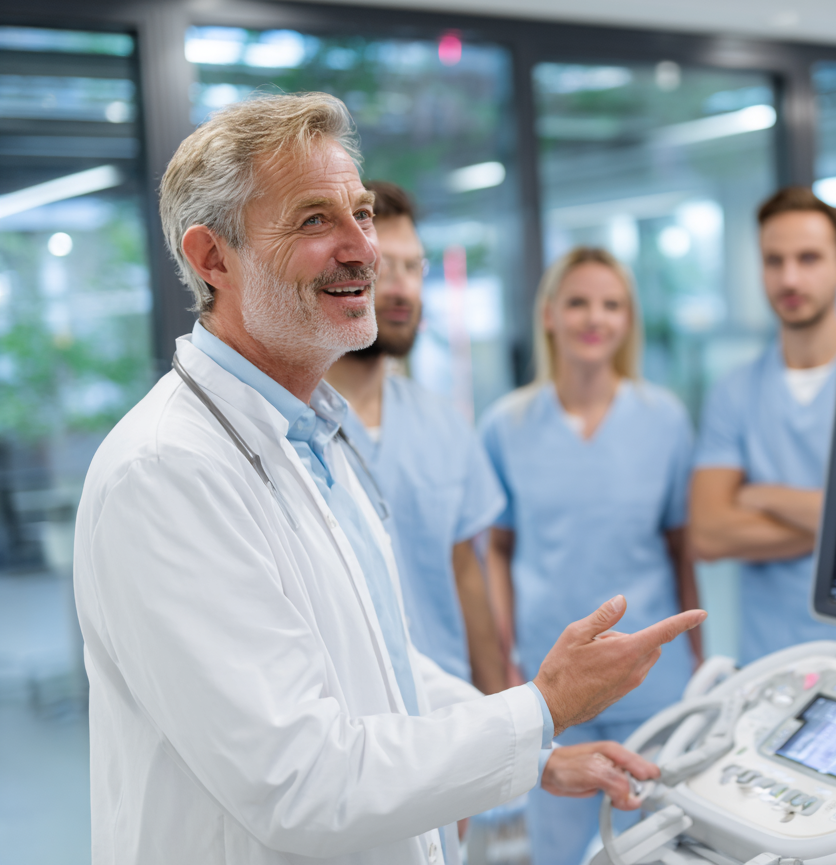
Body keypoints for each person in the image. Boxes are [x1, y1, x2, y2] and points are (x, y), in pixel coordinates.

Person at [72, 92, 703, 865]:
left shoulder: (316, 435)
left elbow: (384, 667)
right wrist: (544, 708)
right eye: (314, 220)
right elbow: (298, 782)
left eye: (361, 214)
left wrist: (534, 751)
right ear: (212, 260)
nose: (364, 250)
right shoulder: (167, 473)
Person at [480, 246, 700, 865]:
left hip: (655, 679)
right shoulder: (506, 425)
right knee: (555, 851)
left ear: (628, 320)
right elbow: (497, 548)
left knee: (657, 847)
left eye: (610, 304)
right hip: (553, 687)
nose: (593, 318)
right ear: (549, 314)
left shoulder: (665, 420)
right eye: (577, 302)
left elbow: (681, 550)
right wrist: (503, 652)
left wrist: (699, 653)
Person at [689, 187, 836, 665]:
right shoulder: (734, 391)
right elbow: (709, 535)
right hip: (768, 661)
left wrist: (762, 495)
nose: (790, 277)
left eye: (808, 258)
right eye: (774, 260)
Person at [325, 181, 507, 694]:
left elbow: (466, 576)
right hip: (354, 726)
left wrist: (507, 718)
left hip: (452, 714)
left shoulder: (443, 425)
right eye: (385, 267)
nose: (402, 288)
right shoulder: (294, 428)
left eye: (414, 267)